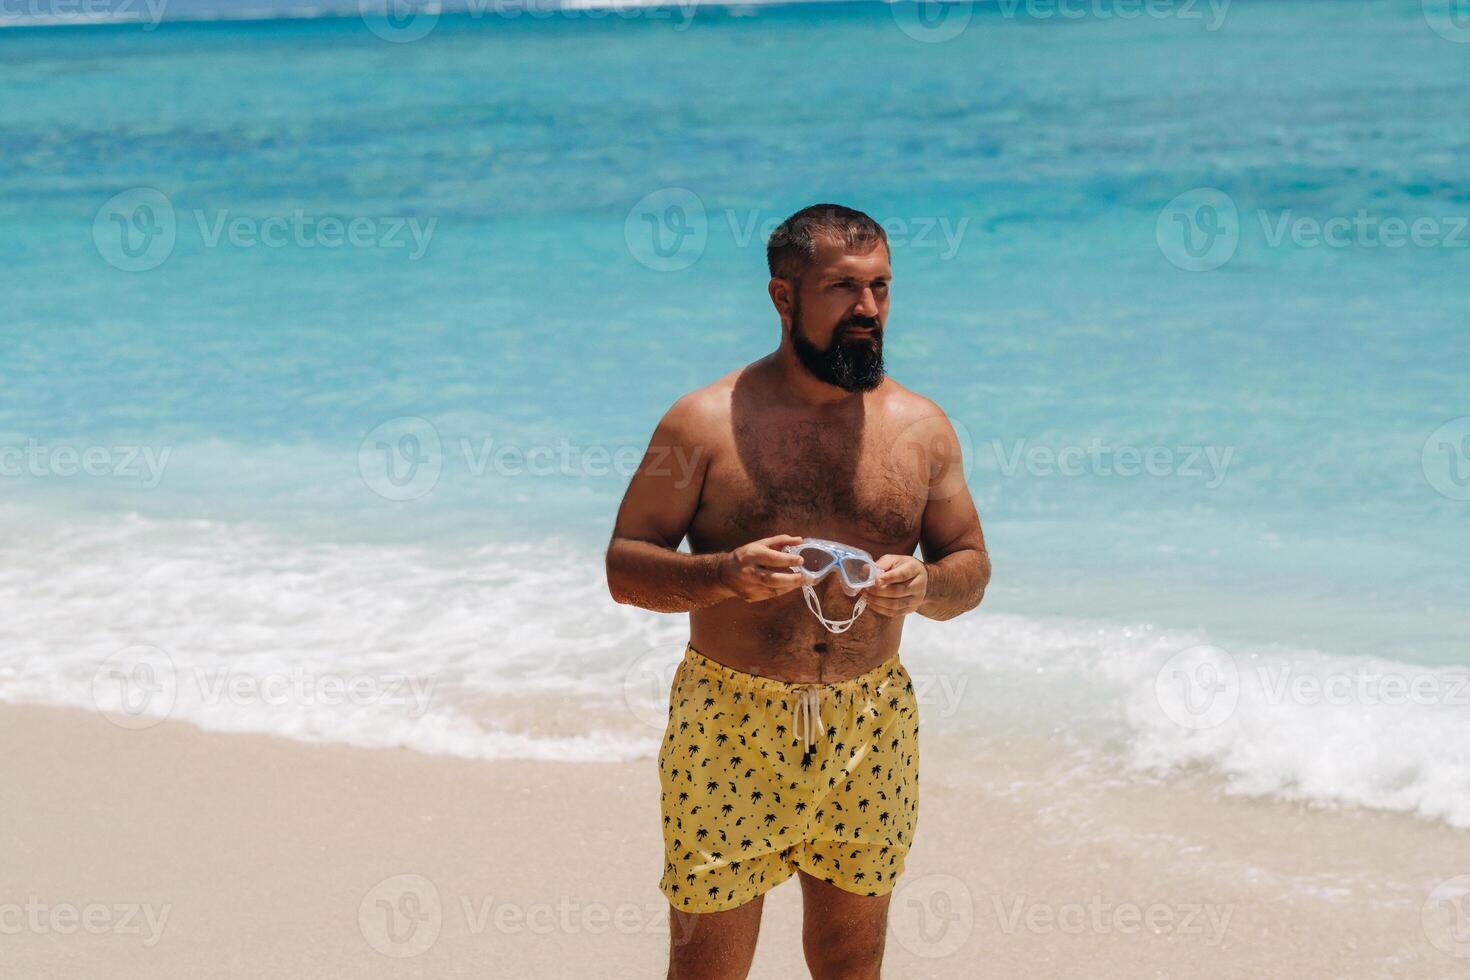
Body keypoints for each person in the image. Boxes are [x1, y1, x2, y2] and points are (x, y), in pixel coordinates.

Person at [606, 203, 990, 980]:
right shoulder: (703, 424)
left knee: (852, 961)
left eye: (881, 287)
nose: (869, 310)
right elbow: (626, 567)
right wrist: (723, 575)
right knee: (708, 967)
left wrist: (925, 585)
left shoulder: (924, 429)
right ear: (784, 297)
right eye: (843, 289)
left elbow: (970, 568)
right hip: (729, 721)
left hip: (870, 721)